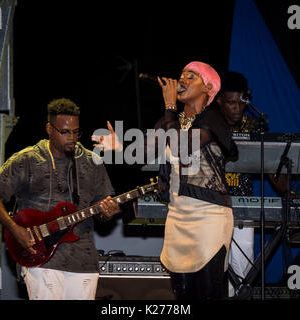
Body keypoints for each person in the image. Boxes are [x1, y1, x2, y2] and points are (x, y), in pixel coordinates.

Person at [94, 61, 237, 299]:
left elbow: (181, 146)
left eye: (191, 77)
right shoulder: (170, 122)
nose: (182, 80)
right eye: (182, 75)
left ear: (208, 88)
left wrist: (169, 105)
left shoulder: (213, 119)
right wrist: (118, 147)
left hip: (208, 216)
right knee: (183, 294)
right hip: (178, 217)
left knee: (208, 291)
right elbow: (139, 155)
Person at [0, 98, 120, 300]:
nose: (71, 137)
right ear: (49, 129)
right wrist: (14, 228)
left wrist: (109, 211)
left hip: (84, 261)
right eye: (65, 132)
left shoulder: (92, 160)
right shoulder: (28, 159)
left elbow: (102, 210)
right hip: (41, 259)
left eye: (75, 132)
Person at [215, 71, 292, 298]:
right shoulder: (209, 124)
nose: (237, 109)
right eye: (230, 103)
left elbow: (273, 174)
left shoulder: (253, 126)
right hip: (213, 205)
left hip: (244, 209)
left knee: (243, 267)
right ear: (219, 100)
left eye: (241, 103)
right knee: (215, 265)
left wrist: (286, 185)